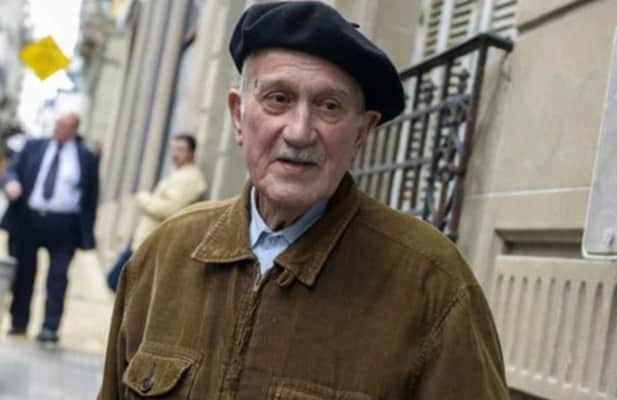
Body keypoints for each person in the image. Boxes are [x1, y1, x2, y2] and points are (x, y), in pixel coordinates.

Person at [98, 2, 508, 398]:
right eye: (278, 98)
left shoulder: (432, 284)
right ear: (239, 115)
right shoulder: (165, 254)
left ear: (361, 134)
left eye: (329, 106)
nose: (299, 132)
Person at [2, 112, 99, 343]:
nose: (58, 129)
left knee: (58, 276)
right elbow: (11, 171)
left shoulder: (85, 157)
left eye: (64, 126)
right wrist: (12, 183)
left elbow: (91, 196)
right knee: (23, 274)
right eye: (57, 124)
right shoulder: (33, 146)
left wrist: (86, 233)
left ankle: (50, 327)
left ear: (74, 130)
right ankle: (18, 323)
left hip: (64, 226)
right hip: (29, 220)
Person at [106, 134, 206, 291]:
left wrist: (144, 198)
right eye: (173, 149)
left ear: (191, 153)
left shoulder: (189, 178)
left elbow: (170, 209)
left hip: (155, 244)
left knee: (117, 282)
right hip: (146, 239)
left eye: (180, 149)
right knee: (123, 286)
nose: (175, 153)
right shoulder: (179, 174)